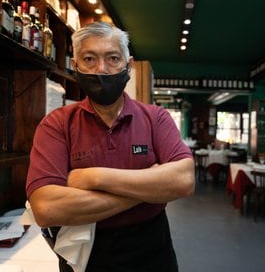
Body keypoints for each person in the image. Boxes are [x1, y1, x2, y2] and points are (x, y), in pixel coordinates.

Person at [26, 22, 195, 272]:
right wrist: (150, 187)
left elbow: (183, 180)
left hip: (152, 249)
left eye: (113, 58)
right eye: (89, 59)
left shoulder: (156, 118)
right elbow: (47, 208)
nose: (102, 69)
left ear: (128, 65)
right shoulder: (57, 124)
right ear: (76, 65)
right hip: (87, 254)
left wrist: (91, 176)